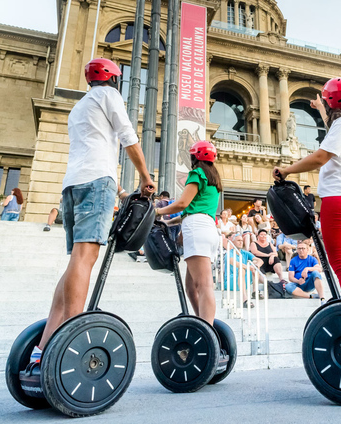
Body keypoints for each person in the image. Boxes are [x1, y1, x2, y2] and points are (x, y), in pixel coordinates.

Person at [28, 58, 154, 373]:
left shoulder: (80, 107)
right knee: (86, 260)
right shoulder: (109, 96)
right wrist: (145, 177)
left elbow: (94, 148)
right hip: (97, 181)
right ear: (113, 79)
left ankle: (43, 345)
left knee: (76, 261)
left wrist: (122, 192)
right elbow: (129, 138)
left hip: (72, 185)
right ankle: (70, 331)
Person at [273, 77, 341, 305]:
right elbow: (335, 132)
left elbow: (321, 157)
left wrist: (288, 170)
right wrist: (322, 108)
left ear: (332, 102)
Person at [155, 141, 222, 325]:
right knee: (191, 287)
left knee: (204, 285)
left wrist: (157, 211)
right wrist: (167, 221)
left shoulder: (197, 173)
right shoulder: (213, 178)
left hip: (197, 229)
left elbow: (183, 203)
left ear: (194, 157)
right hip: (208, 229)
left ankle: (207, 330)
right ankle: (201, 322)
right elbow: (190, 211)